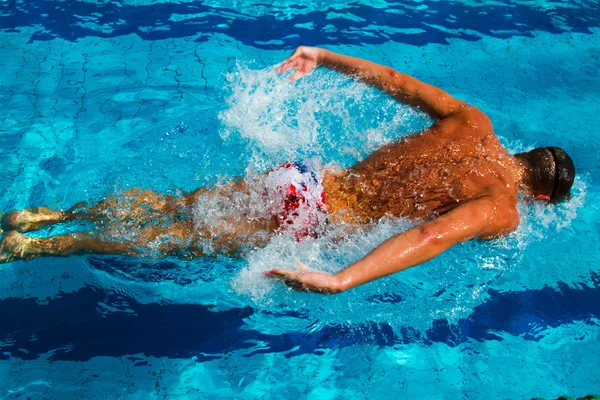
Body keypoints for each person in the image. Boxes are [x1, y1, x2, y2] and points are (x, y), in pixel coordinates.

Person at [0, 46, 575, 294]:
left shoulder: (473, 121)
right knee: (169, 240)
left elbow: (398, 82)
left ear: (527, 153)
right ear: (541, 197)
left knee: (177, 203)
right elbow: (428, 235)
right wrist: (341, 278)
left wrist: (323, 58)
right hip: (313, 219)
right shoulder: (503, 209)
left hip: (305, 178)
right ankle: (36, 248)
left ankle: (43, 213)